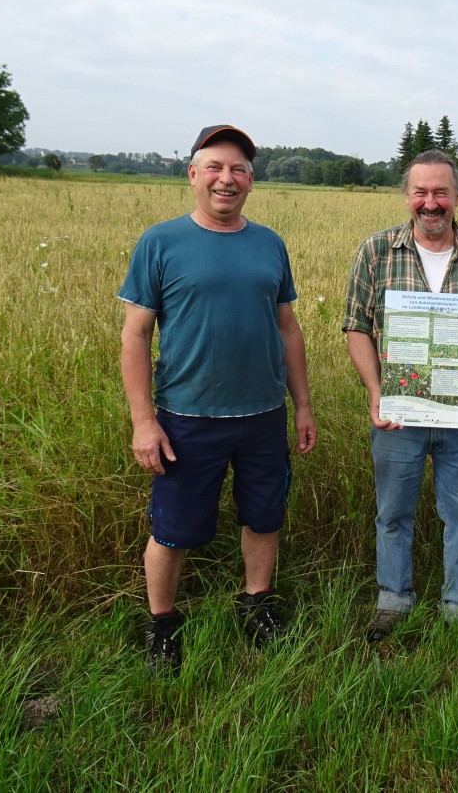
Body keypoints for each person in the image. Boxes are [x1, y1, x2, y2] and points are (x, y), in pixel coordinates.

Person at [119, 124, 317, 673]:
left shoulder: (270, 244)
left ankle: (256, 604)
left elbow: (288, 329)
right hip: (185, 418)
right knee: (173, 528)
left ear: (251, 181)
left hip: (262, 416)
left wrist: (302, 405)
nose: (226, 179)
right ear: (193, 175)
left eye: (238, 170)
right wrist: (143, 422)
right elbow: (135, 334)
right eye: (215, 167)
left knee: (264, 517)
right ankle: (162, 624)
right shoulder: (160, 242)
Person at [343, 150, 458, 641]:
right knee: (393, 512)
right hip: (397, 410)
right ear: (407, 196)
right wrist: (375, 391)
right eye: (421, 192)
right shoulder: (376, 251)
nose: (431, 203)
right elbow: (356, 326)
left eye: (441, 192)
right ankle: (393, 600)